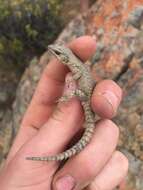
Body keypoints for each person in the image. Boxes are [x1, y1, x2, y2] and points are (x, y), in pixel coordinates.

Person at [0, 36, 128, 190]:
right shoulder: (71, 63)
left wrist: (68, 93)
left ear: (64, 57)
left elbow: (77, 76)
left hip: (86, 98)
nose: (53, 52)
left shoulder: (73, 64)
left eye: (56, 52)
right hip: (85, 97)